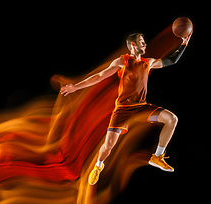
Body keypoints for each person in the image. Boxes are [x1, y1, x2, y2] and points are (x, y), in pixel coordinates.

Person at [60, 32, 192, 185]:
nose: (145, 44)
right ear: (133, 45)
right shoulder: (123, 61)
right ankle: (98, 166)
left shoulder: (148, 62)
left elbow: (171, 60)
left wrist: (184, 44)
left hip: (142, 107)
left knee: (171, 119)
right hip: (123, 110)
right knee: (109, 145)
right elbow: (99, 76)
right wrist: (75, 87)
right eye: (142, 42)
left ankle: (157, 156)